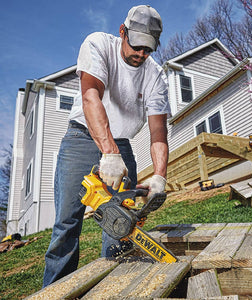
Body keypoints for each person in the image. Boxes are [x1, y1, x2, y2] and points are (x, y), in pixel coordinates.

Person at [43, 5, 171, 287]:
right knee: (67, 224)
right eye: (136, 46)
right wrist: (108, 153)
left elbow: (158, 132)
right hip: (81, 137)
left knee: (121, 224)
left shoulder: (155, 76)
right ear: (122, 32)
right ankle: (54, 291)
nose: (141, 54)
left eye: (148, 49)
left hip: (122, 144)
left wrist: (160, 176)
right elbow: (91, 98)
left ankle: (115, 289)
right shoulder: (98, 44)